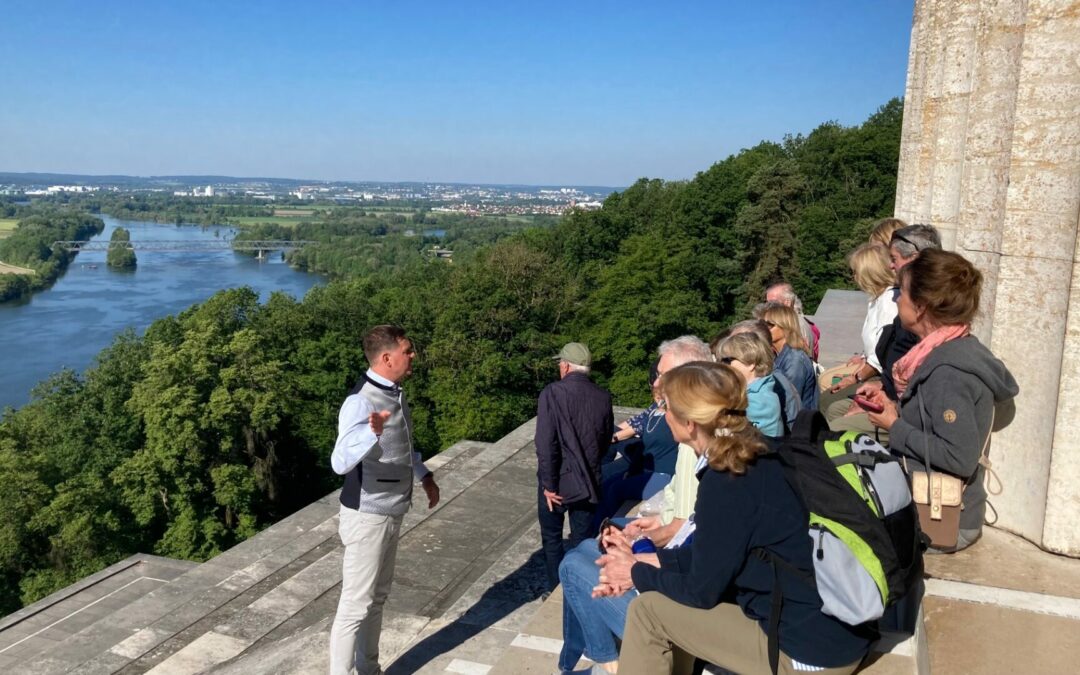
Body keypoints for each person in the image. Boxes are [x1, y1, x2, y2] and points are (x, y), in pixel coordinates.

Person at [598, 362, 873, 674]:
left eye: (666, 406)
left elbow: (701, 592)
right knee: (665, 601)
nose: (663, 413)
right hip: (838, 630)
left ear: (690, 423)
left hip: (810, 652)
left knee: (647, 612)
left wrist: (636, 574)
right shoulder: (758, 450)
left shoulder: (727, 482)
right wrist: (650, 562)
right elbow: (717, 552)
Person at [861, 249, 1018, 552]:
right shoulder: (946, 350)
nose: (896, 300)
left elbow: (959, 457)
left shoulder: (949, 372)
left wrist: (894, 425)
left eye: (901, 293)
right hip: (927, 504)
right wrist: (892, 406)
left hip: (941, 521)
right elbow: (930, 422)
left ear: (920, 307)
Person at [329, 325, 441, 675]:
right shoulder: (361, 400)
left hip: (391, 510)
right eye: (408, 350)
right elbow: (339, 462)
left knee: (376, 599)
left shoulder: (395, 393)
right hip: (367, 515)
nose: (413, 356)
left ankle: (369, 669)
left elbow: (401, 447)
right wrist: (369, 432)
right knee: (354, 605)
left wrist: (424, 476)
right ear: (387, 357)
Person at [829, 225, 942, 441]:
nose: (890, 266)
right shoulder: (897, 307)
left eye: (894, 258)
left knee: (835, 424)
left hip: (904, 415)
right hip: (891, 392)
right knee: (833, 410)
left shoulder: (905, 311)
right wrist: (880, 387)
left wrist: (888, 407)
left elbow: (915, 385)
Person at [592, 336, 712, 527]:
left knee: (612, 487)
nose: (656, 383)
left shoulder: (692, 425)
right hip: (652, 470)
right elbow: (636, 424)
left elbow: (683, 518)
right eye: (657, 375)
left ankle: (596, 530)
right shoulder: (659, 408)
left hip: (662, 476)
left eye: (664, 375)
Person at [536, 342, 614, 592]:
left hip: (557, 482)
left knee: (552, 539)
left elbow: (546, 443)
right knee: (582, 540)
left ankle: (555, 588)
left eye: (560, 363)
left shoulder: (552, 393)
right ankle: (578, 588)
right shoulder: (603, 397)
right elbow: (604, 441)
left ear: (566, 366)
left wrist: (548, 485)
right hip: (589, 481)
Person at [819, 243, 897, 418]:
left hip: (880, 377)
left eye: (856, 272)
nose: (854, 277)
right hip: (872, 370)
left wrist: (855, 378)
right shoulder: (877, 299)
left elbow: (881, 356)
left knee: (829, 399)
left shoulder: (889, 303)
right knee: (828, 392)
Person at [724, 319, 801, 432]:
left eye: (728, 360)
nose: (723, 365)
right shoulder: (764, 384)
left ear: (751, 362)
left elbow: (732, 419)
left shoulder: (759, 398)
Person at [715, 332, 784, 437]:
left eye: (727, 361)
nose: (721, 366)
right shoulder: (760, 390)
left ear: (751, 362)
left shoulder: (758, 400)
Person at [758, 302, 819, 411]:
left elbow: (788, 400)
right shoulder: (778, 354)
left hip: (798, 423)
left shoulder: (795, 360)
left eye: (769, 325)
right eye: (762, 324)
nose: (764, 329)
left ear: (785, 327)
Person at [766, 282, 819, 361]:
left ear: (787, 302)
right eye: (767, 303)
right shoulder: (792, 322)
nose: (768, 307)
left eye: (773, 303)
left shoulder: (797, 326)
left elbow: (798, 363)